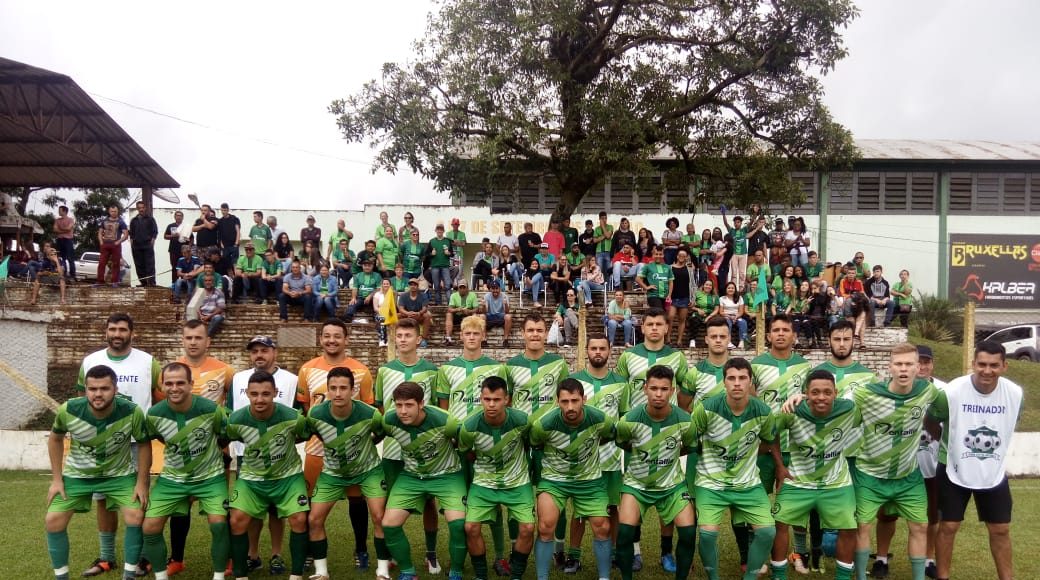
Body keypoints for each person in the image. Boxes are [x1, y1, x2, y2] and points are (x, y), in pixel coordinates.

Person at [842, 343, 940, 580]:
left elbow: (947, 409)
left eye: (908, 364)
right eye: (898, 364)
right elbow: (836, 405)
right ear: (890, 367)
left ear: (917, 367)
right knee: (863, 526)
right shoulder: (866, 393)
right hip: (869, 476)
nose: (903, 369)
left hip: (908, 476)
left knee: (920, 526)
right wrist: (803, 397)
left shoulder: (928, 391)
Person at [46, 364, 151, 580]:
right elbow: (55, 439)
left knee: (136, 515)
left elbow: (144, 444)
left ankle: (129, 575)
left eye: (104, 388)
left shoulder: (132, 411)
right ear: (85, 389)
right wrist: (57, 479)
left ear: (115, 389)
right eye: (92, 389)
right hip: (78, 476)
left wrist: (141, 483)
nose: (98, 394)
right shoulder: (69, 410)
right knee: (53, 520)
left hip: (119, 476)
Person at [928, 340, 1021, 580]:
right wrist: (949, 446)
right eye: (982, 364)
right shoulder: (952, 391)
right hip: (953, 467)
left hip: (993, 470)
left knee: (1001, 529)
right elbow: (931, 419)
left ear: (1004, 366)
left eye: (994, 365)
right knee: (948, 526)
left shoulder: (1014, 394)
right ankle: (942, 576)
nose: (987, 370)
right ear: (973, 364)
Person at [615, 306, 693, 570]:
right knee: (635, 492)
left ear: (666, 328)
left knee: (668, 492)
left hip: (669, 432)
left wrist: (679, 417)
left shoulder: (677, 357)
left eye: (659, 324)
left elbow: (685, 391)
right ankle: (635, 551)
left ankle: (666, 552)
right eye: (650, 324)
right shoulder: (628, 356)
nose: (655, 328)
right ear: (642, 327)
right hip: (637, 434)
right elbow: (620, 390)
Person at [688, 358, 778, 580]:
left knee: (767, 532)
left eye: (742, 378)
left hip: (748, 484)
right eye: (731, 378)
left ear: (750, 382)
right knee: (707, 535)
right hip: (710, 483)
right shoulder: (706, 409)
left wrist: (746, 457)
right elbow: (691, 440)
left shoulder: (763, 411)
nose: (737, 383)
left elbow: (768, 442)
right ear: (724, 382)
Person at [296, 319, 375, 570]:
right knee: (310, 502)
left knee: (357, 501)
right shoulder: (307, 369)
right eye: (327, 336)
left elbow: (368, 409)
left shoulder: (361, 371)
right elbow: (306, 408)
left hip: (352, 453)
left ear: (346, 339)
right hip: (317, 449)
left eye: (337, 336)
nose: (332, 340)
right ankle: (310, 550)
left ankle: (361, 549)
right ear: (321, 339)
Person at [769, 369, 862, 580]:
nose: (821, 397)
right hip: (798, 481)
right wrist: (780, 466)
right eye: (815, 392)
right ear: (806, 393)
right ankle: (779, 575)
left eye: (827, 392)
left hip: (836, 483)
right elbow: (770, 433)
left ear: (836, 393)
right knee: (779, 523)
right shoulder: (791, 410)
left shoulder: (849, 410)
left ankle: (843, 577)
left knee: (849, 527)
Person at [140, 362, 230, 580]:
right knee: (150, 527)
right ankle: (161, 575)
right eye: (169, 383)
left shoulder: (211, 410)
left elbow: (224, 436)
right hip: (172, 479)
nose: (174, 388)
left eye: (180, 383)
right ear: (162, 386)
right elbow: (155, 439)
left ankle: (219, 575)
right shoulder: (154, 414)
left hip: (210, 477)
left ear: (191, 384)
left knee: (219, 524)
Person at [306, 366, 391, 580]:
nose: (337, 393)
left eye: (343, 388)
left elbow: (380, 433)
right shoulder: (315, 414)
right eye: (333, 388)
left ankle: (382, 571)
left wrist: (363, 447)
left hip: (368, 470)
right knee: (314, 518)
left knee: (380, 516)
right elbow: (315, 432)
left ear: (353, 390)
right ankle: (321, 572)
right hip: (332, 473)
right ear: (327, 389)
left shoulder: (370, 414)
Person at [226, 371, 312, 580]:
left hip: (288, 476)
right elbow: (231, 437)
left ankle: (296, 575)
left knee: (299, 518)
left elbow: (303, 435)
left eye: (265, 394)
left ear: (275, 392)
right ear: (247, 393)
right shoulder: (235, 420)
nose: (260, 399)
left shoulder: (293, 417)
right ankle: (241, 574)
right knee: (236, 519)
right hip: (251, 478)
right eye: (254, 394)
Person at [530, 378, 616, 580]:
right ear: (557, 401)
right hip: (554, 480)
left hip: (589, 480)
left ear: (584, 399)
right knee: (545, 526)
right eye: (565, 401)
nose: (570, 406)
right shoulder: (543, 425)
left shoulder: (600, 419)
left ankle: (604, 577)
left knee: (602, 526)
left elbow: (608, 436)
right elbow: (536, 444)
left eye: (575, 400)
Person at [381, 382, 468, 580]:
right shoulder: (388, 420)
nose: (403, 411)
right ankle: (408, 572)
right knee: (389, 524)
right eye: (399, 405)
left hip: (447, 475)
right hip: (412, 476)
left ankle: (456, 571)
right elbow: (375, 435)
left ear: (421, 404)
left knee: (458, 525)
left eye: (409, 405)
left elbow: (464, 441)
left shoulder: (445, 420)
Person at [230, 336, 299, 574]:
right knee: (251, 508)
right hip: (247, 454)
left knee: (277, 509)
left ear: (274, 352)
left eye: (264, 350)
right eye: (254, 351)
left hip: (280, 455)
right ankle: (252, 554)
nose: (259, 355)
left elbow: (298, 414)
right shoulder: (238, 378)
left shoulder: (291, 379)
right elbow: (231, 411)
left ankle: (276, 554)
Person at [458, 376, 536, 580]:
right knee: (470, 527)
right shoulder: (469, 426)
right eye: (487, 399)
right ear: (481, 399)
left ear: (507, 400)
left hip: (517, 482)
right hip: (483, 482)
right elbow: (467, 453)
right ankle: (481, 575)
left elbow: (529, 444)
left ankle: (516, 575)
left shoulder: (522, 421)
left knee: (528, 528)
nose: (491, 404)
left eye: (497, 399)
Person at [564, 334, 628, 571]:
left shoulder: (621, 383)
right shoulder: (575, 381)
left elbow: (624, 419)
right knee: (580, 509)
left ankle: (614, 554)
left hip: (611, 458)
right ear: (587, 351)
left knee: (612, 507)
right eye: (593, 348)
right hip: (583, 458)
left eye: (602, 348)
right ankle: (574, 556)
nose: (598, 352)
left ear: (609, 351)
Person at [722, 210, 764, 292]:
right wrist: (723, 214)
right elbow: (726, 223)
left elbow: (751, 222)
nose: (736, 224)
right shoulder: (731, 231)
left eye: (738, 222)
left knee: (742, 273)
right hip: (734, 254)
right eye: (735, 222)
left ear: (741, 223)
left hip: (743, 254)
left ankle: (741, 290)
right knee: (734, 273)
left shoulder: (744, 230)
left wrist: (755, 213)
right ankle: (733, 289)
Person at [127, 201, 158, 286]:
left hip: (147, 245)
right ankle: (143, 282)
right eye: (139, 208)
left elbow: (155, 231)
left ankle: (151, 283)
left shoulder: (150, 219)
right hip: (136, 246)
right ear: (137, 209)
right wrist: (132, 243)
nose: (141, 209)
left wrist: (152, 241)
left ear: (145, 208)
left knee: (150, 265)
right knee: (139, 265)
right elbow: (131, 233)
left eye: (142, 207)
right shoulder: (134, 220)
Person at [97, 204, 128, 286]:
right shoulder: (104, 221)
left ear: (117, 212)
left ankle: (115, 282)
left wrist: (118, 242)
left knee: (116, 264)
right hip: (105, 244)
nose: (113, 213)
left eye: (115, 211)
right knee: (101, 263)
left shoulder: (121, 222)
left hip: (115, 245)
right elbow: (100, 232)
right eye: (112, 211)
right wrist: (101, 242)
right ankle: (100, 281)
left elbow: (126, 234)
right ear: (109, 211)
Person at [668, 248, 694, 346]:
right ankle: (668, 338)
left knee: (682, 320)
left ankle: (679, 340)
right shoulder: (670, 268)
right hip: (673, 297)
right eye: (680, 255)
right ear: (677, 256)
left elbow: (693, 284)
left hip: (685, 297)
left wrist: (693, 298)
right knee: (670, 317)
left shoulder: (689, 269)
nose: (682, 257)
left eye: (684, 256)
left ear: (686, 257)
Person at [397, 278, 434, 346]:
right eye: (411, 285)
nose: (413, 286)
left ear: (417, 286)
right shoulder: (403, 295)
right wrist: (407, 313)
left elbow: (425, 308)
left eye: (414, 285)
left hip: (418, 315)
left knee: (427, 316)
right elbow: (401, 309)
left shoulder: (423, 295)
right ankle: (396, 338)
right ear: (409, 286)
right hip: (406, 315)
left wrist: (418, 313)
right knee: (396, 316)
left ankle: (423, 339)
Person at [638, 245, 673, 310]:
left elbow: (671, 282)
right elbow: (638, 279)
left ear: (663, 255)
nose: (658, 256)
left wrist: (669, 295)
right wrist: (646, 287)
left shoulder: (668, 267)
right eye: (656, 254)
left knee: (663, 314)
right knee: (659, 312)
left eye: (660, 254)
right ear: (653, 255)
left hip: (665, 296)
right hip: (653, 295)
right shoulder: (648, 266)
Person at [444, 279, 478, 345]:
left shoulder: (473, 295)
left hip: (468, 315)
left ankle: (473, 337)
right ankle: (448, 338)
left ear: (467, 288)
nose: (462, 289)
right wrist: (458, 309)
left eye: (464, 287)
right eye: (460, 288)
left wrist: (469, 311)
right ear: (458, 288)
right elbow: (449, 309)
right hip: (457, 315)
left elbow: (476, 309)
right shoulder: (453, 295)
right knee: (448, 314)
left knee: (474, 315)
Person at [479, 280, 513, 346]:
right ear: (490, 289)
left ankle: (505, 340)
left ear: (499, 289)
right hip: (490, 316)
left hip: (500, 316)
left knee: (508, 317)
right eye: (493, 288)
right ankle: (484, 340)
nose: (495, 290)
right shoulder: (486, 296)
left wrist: (506, 304)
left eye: (496, 288)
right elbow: (484, 312)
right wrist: (483, 306)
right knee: (481, 316)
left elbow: (507, 312)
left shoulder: (504, 296)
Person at [689, 278, 720, 348]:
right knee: (694, 320)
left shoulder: (715, 297)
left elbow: (716, 310)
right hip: (698, 314)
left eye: (710, 285)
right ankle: (692, 340)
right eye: (706, 284)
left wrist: (708, 317)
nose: (708, 286)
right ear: (703, 285)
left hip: (710, 315)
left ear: (712, 287)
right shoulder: (697, 294)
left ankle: (711, 341)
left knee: (714, 323)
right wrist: (698, 310)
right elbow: (691, 306)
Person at [427, 224, 453, 305]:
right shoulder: (431, 241)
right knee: (436, 286)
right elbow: (426, 254)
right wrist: (431, 254)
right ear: (435, 231)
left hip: (445, 266)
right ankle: (438, 303)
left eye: (441, 229)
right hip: (435, 266)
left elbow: (452, 254)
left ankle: (450, 303)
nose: (439, 231)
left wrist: (448, 253)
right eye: (438, 229)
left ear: (443, 231)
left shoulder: (448, 241)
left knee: (448, 285)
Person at [719, 281, 748, 350]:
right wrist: (729, 316)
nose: (731, 289)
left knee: (743, 322)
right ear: (726, 289)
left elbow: (741, 311)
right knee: (728, 322)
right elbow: (721, 312)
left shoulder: (739, 298)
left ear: (735, 289)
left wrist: (736, 317)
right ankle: (728, 342)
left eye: (732, 288)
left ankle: (742, 341)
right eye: (729, 288)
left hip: (736, 316)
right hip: (726, 316)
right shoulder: (722, 298)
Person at [162, 210, 188, 286]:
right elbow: (165, 236)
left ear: (183, 217)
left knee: (184, 267)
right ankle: (174, 284)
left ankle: (184, 285)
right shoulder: (170, 226)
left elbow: (191, 238)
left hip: (184, 251)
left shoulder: (186, 226)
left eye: (180, 216)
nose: (178, 217)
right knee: (174, 267)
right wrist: (173, 236)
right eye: (177, 215)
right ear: (174, 217)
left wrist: (189, 246)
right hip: (173, 250)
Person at [216, 203, 241, 273]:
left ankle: (236, 277)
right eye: (222, 210)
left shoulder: (234, 219)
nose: (223, 212)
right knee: (227, 264)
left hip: (234, 245)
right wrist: (221, 244)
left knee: (235, 263)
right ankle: (230, 277)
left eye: (225, 210)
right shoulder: (220, 221)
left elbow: (238, 231)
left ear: (228, 210)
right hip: (225, 246)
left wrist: (236, 243)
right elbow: (219, 233)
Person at [54, 204, 77, 279]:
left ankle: (72, 274)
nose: (58, 212)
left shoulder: (71, 220)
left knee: (70, 258)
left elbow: (69, 228)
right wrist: (64, 230)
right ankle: (63, 273)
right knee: (61, 258)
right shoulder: (57, 220)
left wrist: (60, 230)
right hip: (59, 240)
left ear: (65, 211)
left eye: (60, 210)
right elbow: (55, 229)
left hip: (68, 240)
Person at [446, 217, 467, 287]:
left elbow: (464, 244)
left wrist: (454, 242)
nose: (455, 225)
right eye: (454, 224)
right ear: (452, 225)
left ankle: (457, 284)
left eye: (457, 224)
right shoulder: (448, 233)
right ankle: (451, 283)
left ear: (459, 225)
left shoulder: (462, 233)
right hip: (450, 254)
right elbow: (448, 243)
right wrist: (458, 242)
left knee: (459, 269)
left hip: (459, 254)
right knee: (450, 268)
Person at [593, 212, 615, 276]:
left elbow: (608, 236)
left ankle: (608, 283)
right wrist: (605, 235)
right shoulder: (597, 229)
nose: (604, 220)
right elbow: (594, 240)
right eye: (602, 218)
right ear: (599, 219)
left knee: (608, 271)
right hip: (599, 252)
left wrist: (602, 226)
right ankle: (600, 283)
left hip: (608, 251)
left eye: (605, 218)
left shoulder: (610, 227)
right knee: (599, 271)